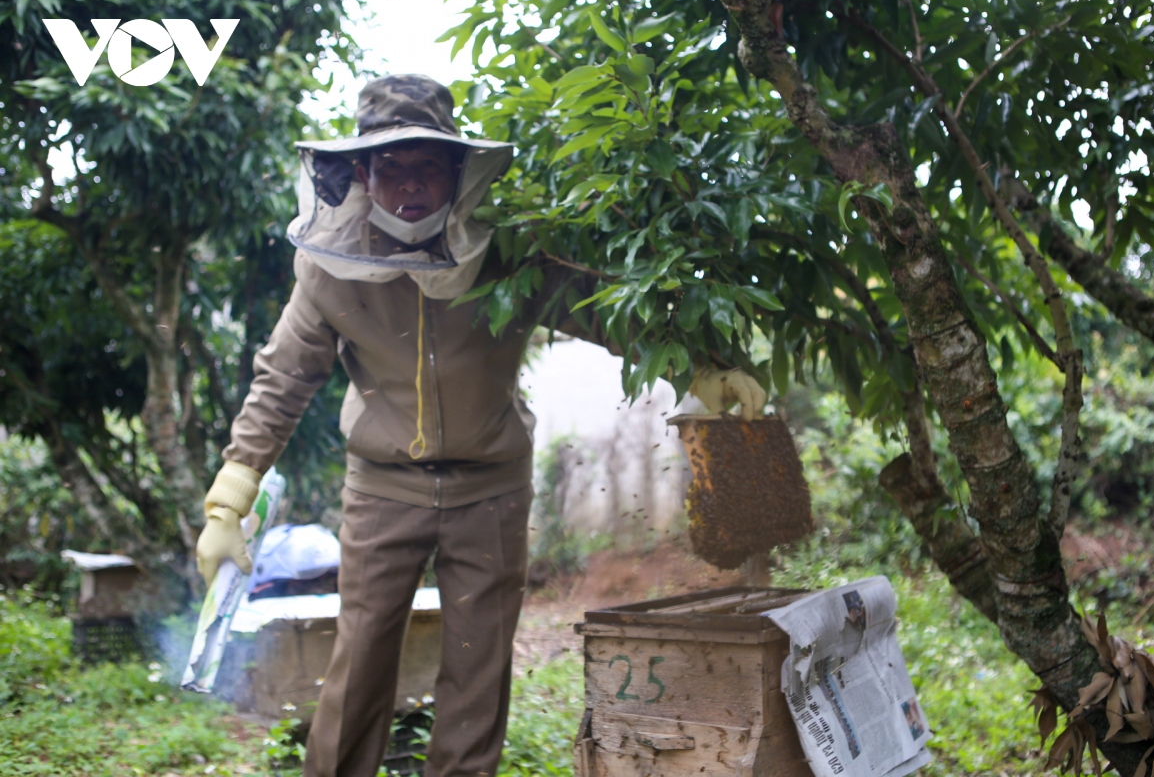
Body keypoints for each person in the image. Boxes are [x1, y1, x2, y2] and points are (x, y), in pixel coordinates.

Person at [194, 74, 765, 777]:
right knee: (360, 663)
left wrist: (704, 368)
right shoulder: (328, 265)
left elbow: (603, 307)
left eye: (428, 165)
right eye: (390, 166)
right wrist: (232, 491)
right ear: (361, 174)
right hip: (381, 491)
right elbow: (284, 375)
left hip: (490, 491)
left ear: (457, 173)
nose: (409, 185)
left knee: (476, 676)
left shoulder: (508, 252)